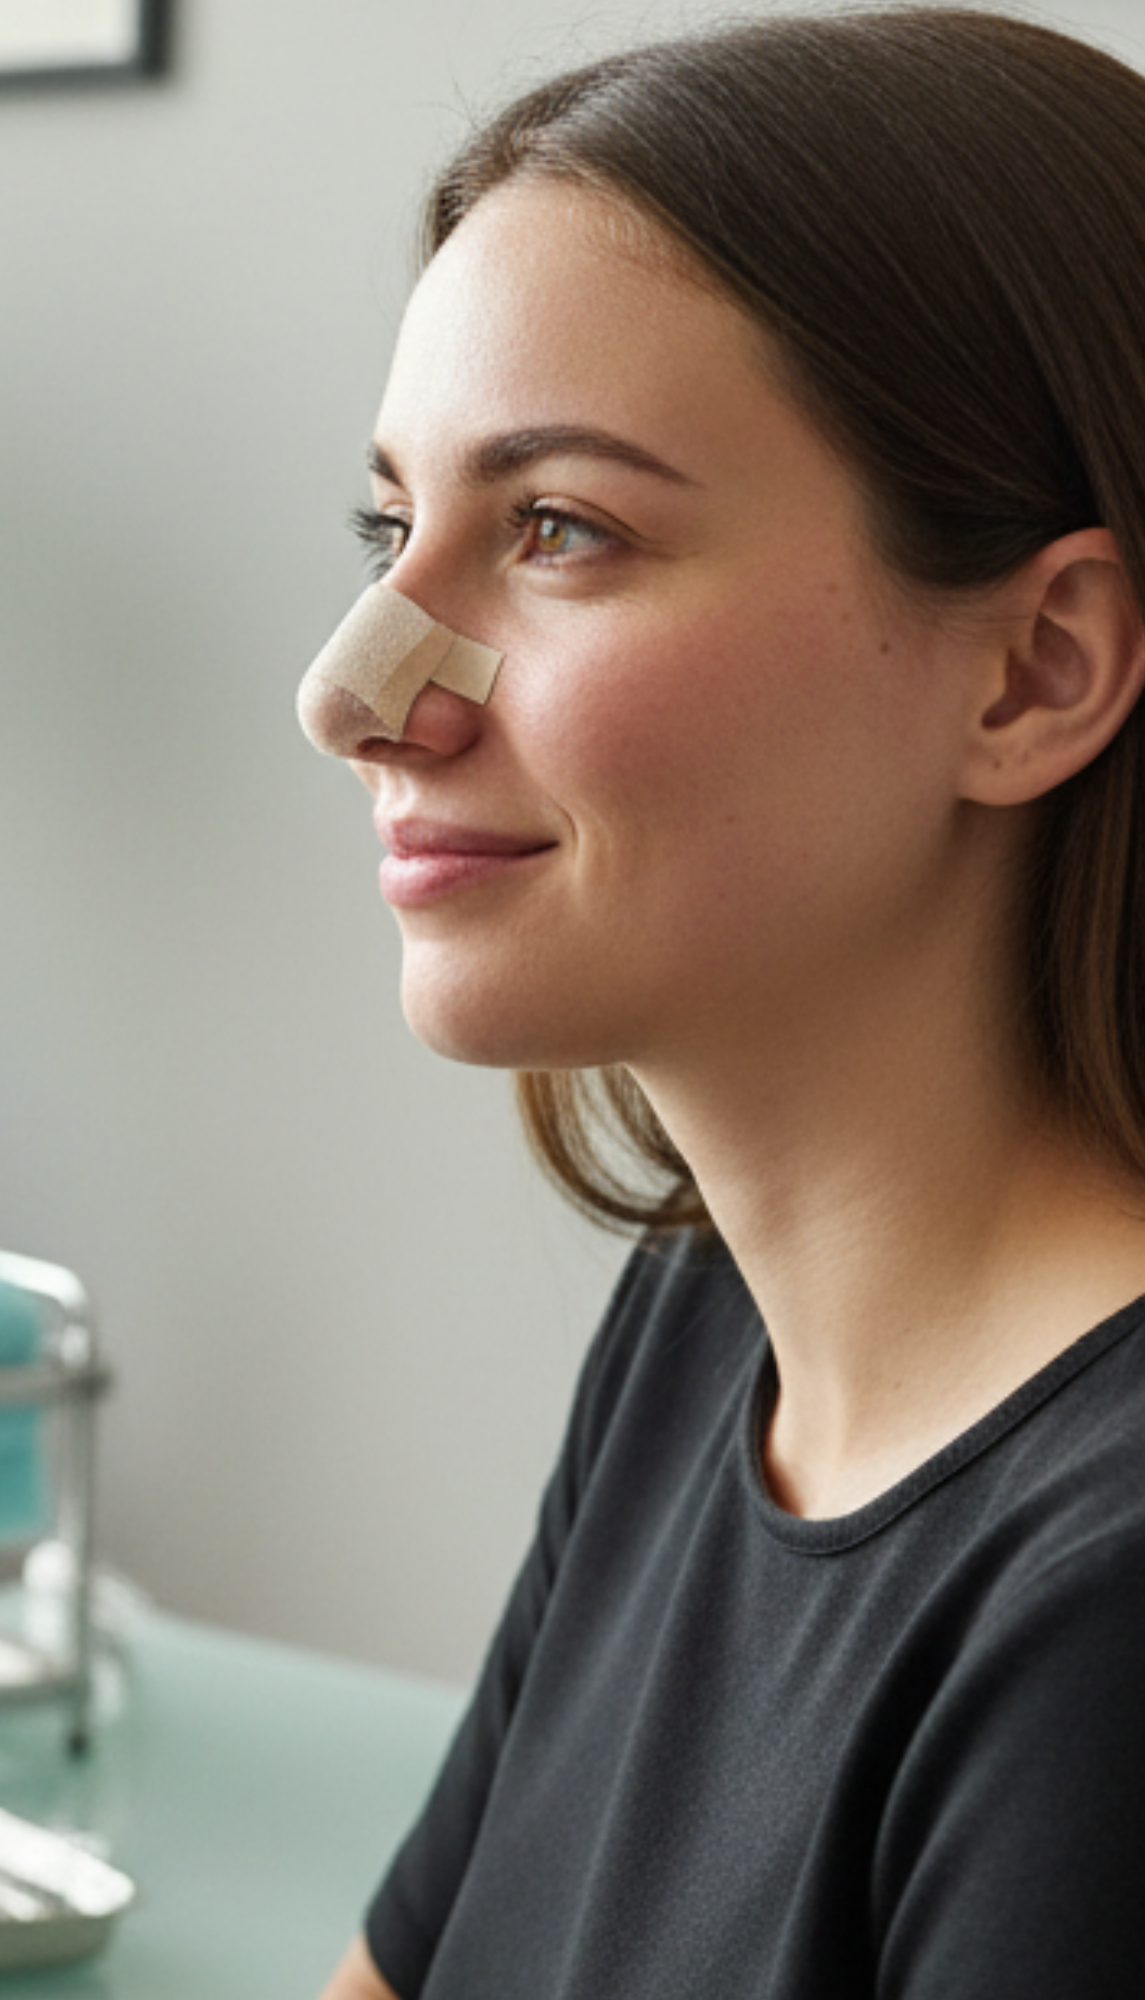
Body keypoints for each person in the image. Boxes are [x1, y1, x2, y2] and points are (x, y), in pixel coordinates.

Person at [303, 8, 1145, 1997]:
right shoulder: (710, 1328)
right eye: (389, 529)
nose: (353, 691)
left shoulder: (1108, 1613)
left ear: (1034, 670)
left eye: (559, 530)